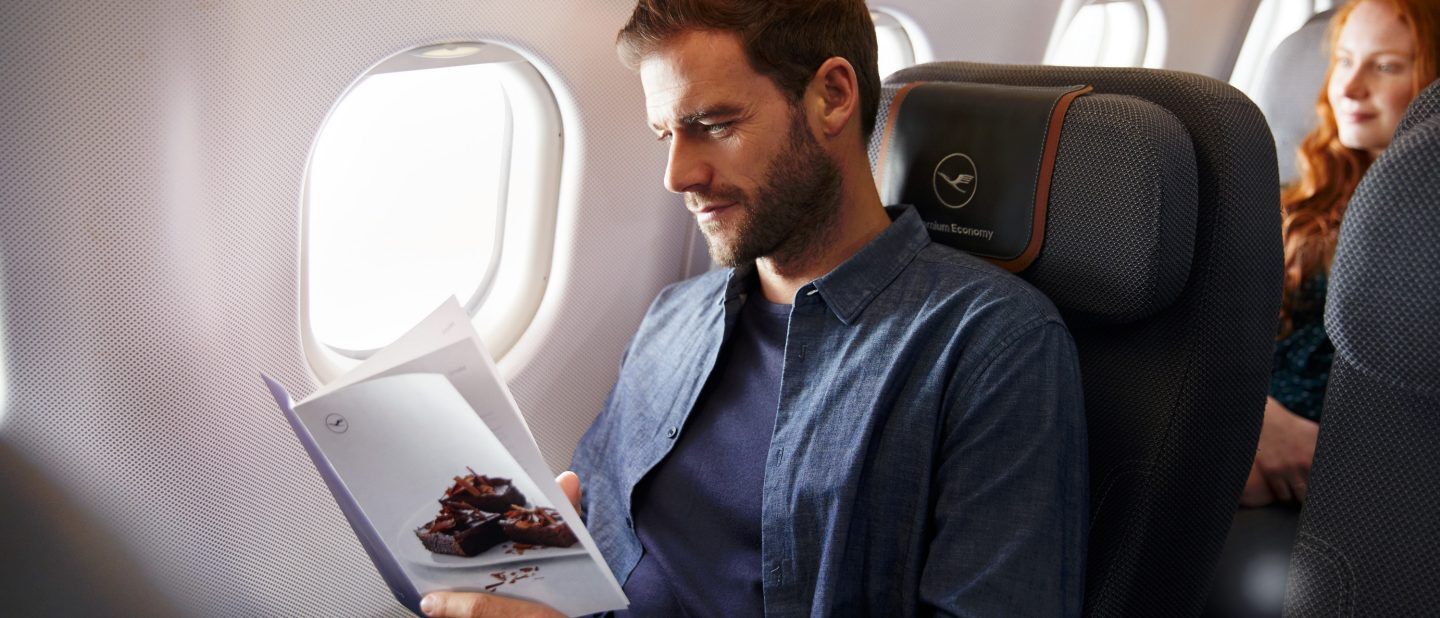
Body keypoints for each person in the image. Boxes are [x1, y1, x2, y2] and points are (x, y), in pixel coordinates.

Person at [421, 1, 1088, 615]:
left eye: (712, 125)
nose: (677, 175)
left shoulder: (991, 346)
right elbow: (597, 539)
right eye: (666, 136)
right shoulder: (672, 319)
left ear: (831, 97)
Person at [1242, 0, 1440, 508]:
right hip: (1252, 419)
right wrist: (1255, 416)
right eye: (1345, 60)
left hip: (1344, 460)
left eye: (1386, 66)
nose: (1349, 88)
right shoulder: (1298, 201)